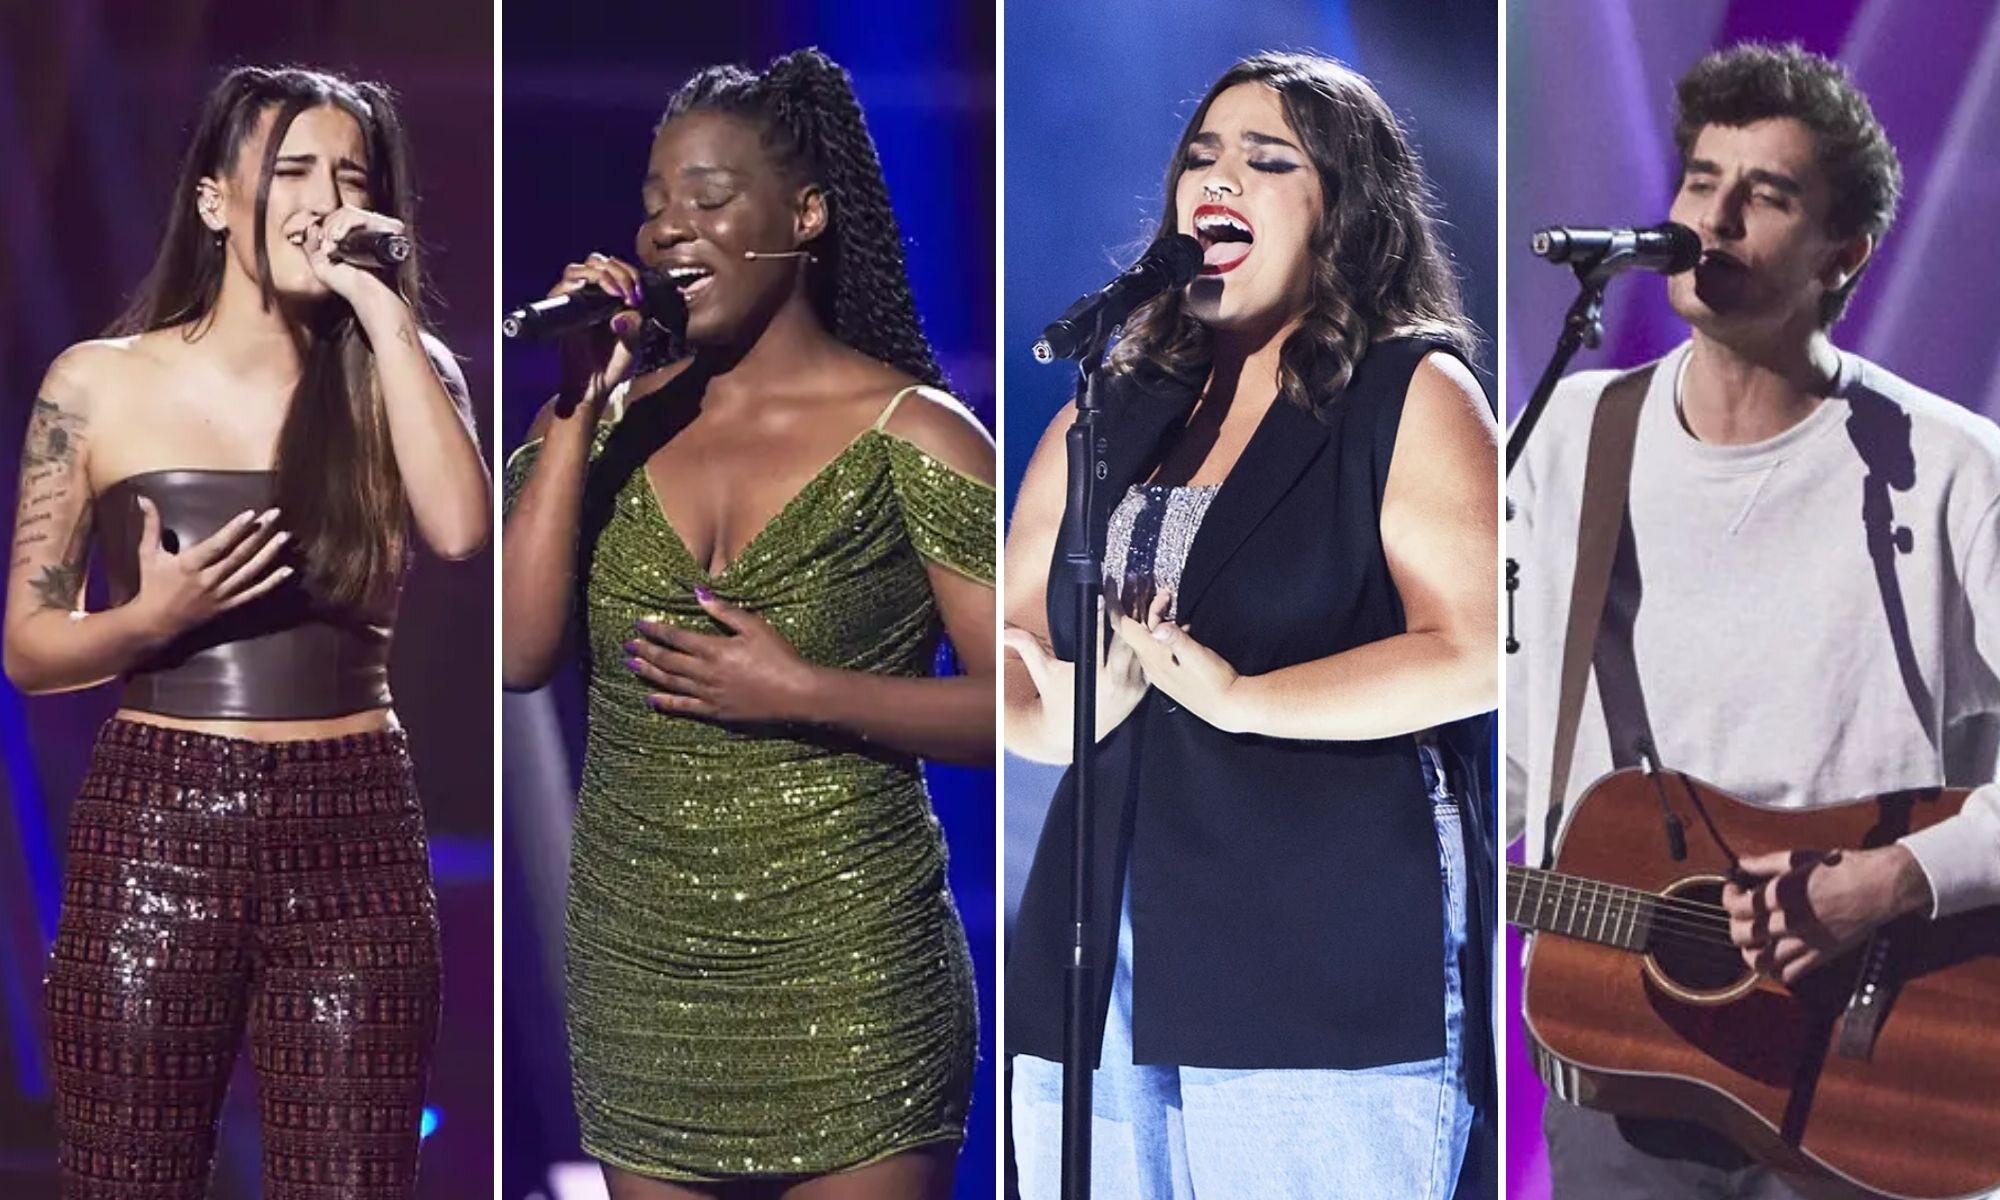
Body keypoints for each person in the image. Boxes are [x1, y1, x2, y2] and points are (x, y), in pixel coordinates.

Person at [1506, 42, 2000, 1200]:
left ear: (1843, 254)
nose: (1712, 219)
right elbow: (1520, 746)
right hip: (1624, 1057)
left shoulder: (1951, 469)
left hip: (1880, 1065)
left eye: (1764, 194)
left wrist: (1885, 883)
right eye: (1698, 181)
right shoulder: (1571, 438)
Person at [500, 48, 995, 1200]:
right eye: (654, 204)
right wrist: (577, 402)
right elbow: (520, 654)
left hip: (850, 977)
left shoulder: (912, 435)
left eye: (709, 198)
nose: (668, 229)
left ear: (805, 215)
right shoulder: (598, 429)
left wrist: (804, 691)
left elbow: (1026, 704)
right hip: (642, 979)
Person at [1003, 51, 1499, 1198]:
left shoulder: (1406, 394)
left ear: (1342, 212)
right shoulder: (1107, 413)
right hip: (1098, 952)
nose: (1217, 179)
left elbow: (1471, 652)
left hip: (1311, 949)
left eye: (1267, 161)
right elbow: (1015, 666)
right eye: (1200, 158)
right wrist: (1066, 712)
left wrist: (1242, 699)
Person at [2, 64, 488, 1199]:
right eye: (293, 172)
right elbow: (27, 646)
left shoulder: (400, 371)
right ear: (217, 199)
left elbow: (463, 530)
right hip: (157, 817)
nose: (323, 202)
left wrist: (383, 308)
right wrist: (150, 620)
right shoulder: (100, 382)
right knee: (130, 1174)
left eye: (351, 178)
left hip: (354, 823)